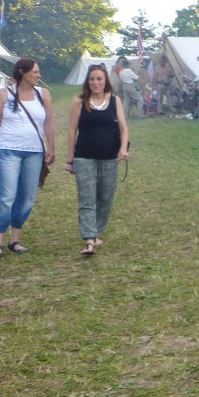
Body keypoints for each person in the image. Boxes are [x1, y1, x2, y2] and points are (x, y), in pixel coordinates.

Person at [0, 57, 55, 259]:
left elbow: (48, 123)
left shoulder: (43, 95)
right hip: (8, 150)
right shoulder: (3, 94)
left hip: (34, 151)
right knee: (6, 195)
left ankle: (14, 239)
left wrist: (51, 147)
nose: (39, 76)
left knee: (27, 197)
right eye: (35, 72)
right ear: (23, 73)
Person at [65, 64, 129, 256]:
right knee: (87, 198)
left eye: (99, 79)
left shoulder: (115, 101)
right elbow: (71, 131)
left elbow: (124, 128)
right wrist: (70, 160)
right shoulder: (79, 101)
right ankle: (89, 238)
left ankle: (96, 230)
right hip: (84, 156)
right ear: (87, 81)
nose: (95, 82)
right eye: (92, 79)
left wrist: (123, 149)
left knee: (105, 197)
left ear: (105, 81)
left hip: (109, 157)